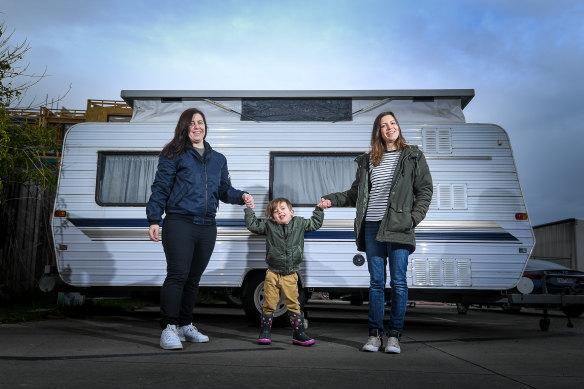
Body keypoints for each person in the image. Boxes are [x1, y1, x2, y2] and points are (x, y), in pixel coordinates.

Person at [321, 111, 432, 354]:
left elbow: (425, 191)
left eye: (393, 123)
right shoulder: (369, 160)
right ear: (378, 131)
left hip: (399, 226)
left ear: (398, 127)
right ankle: (374, 335)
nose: (389, 128)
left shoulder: (412, 155)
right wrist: (331, 199)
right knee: (376, 283)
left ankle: (394, 336)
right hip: (372, 225)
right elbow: (355, 194)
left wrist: (412, 219)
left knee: (400, 284)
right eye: (384, 125)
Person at [147, 107, 254, 350]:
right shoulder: (174, 154)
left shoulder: (218, 159)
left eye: (201, 122)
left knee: (193, 279)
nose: (197, 126)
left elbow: (224, 190)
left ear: (206, 126)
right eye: (192, 123)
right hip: (179, 223)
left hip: (207, 226)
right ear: (184, 128)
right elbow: (161, 187)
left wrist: (242, 196)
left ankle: (186, 324)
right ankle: (169, 328)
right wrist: (154, 219)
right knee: (177, 275)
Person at [244, 197, 326, 346]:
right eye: (275, 211)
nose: (279, 212)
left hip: (290, 274)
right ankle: (265, 332)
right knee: (269, 303)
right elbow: (253, 226)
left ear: (291, 212)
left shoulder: (300, 223)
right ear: (272, 217)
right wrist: (249, 210)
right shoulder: (269, 226)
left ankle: (298, 333)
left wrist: (319, 209)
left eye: (283, 209)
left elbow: (315, 224)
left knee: (294, 304)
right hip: (272, 273)